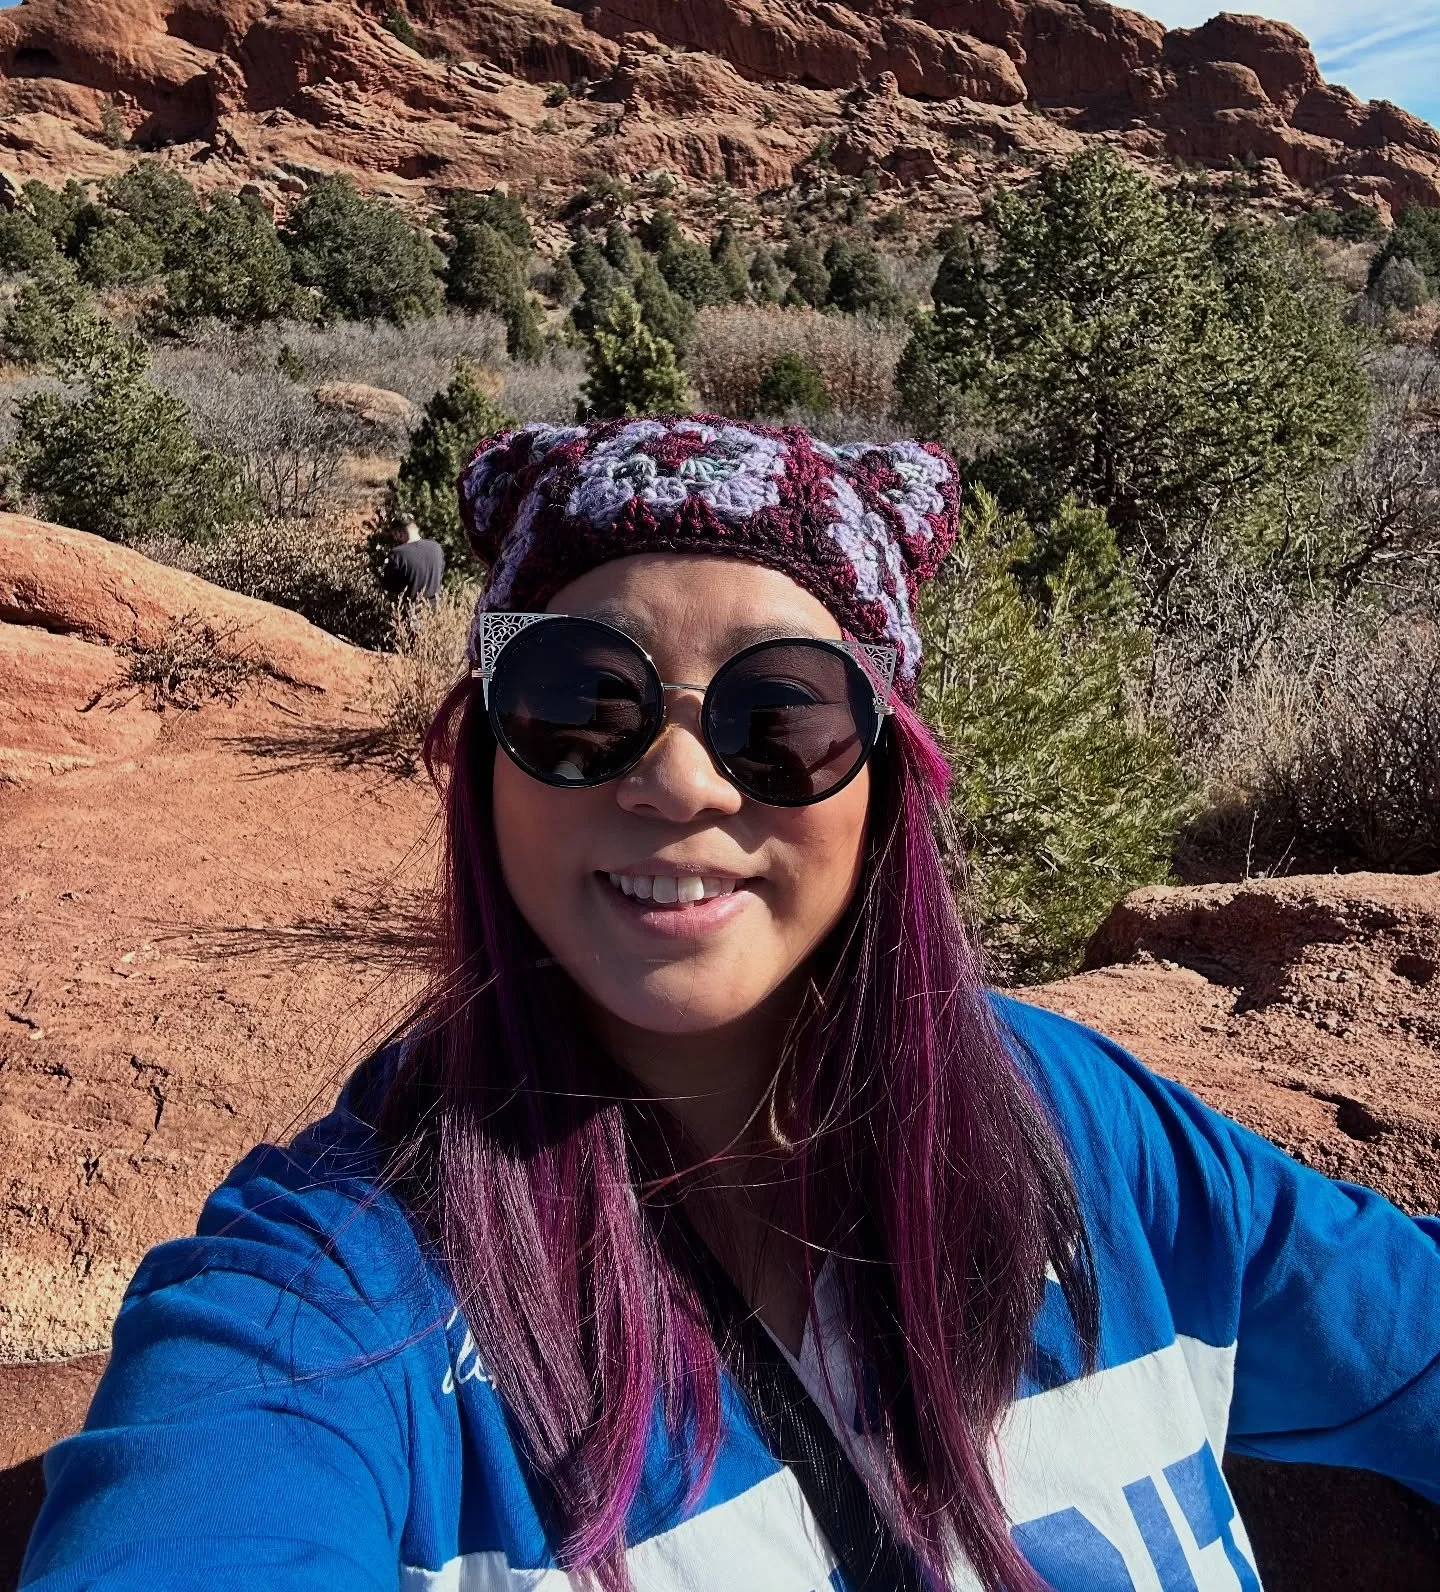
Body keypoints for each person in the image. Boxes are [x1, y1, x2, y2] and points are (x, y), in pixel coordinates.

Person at [21, 416, 1440, 1592]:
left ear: (888, 780)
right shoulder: (340, 1295)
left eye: (785, 717)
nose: (685, 784)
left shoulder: (1080, 1129)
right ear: (483, 759)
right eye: (580, 700)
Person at [381, 511, 445, 611]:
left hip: (412, 612)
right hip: (437, 611)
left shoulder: (397, 554)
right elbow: (440, 575)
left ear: (399, 533)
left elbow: (390, 586)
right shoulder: (436, 547)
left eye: (394, 535)